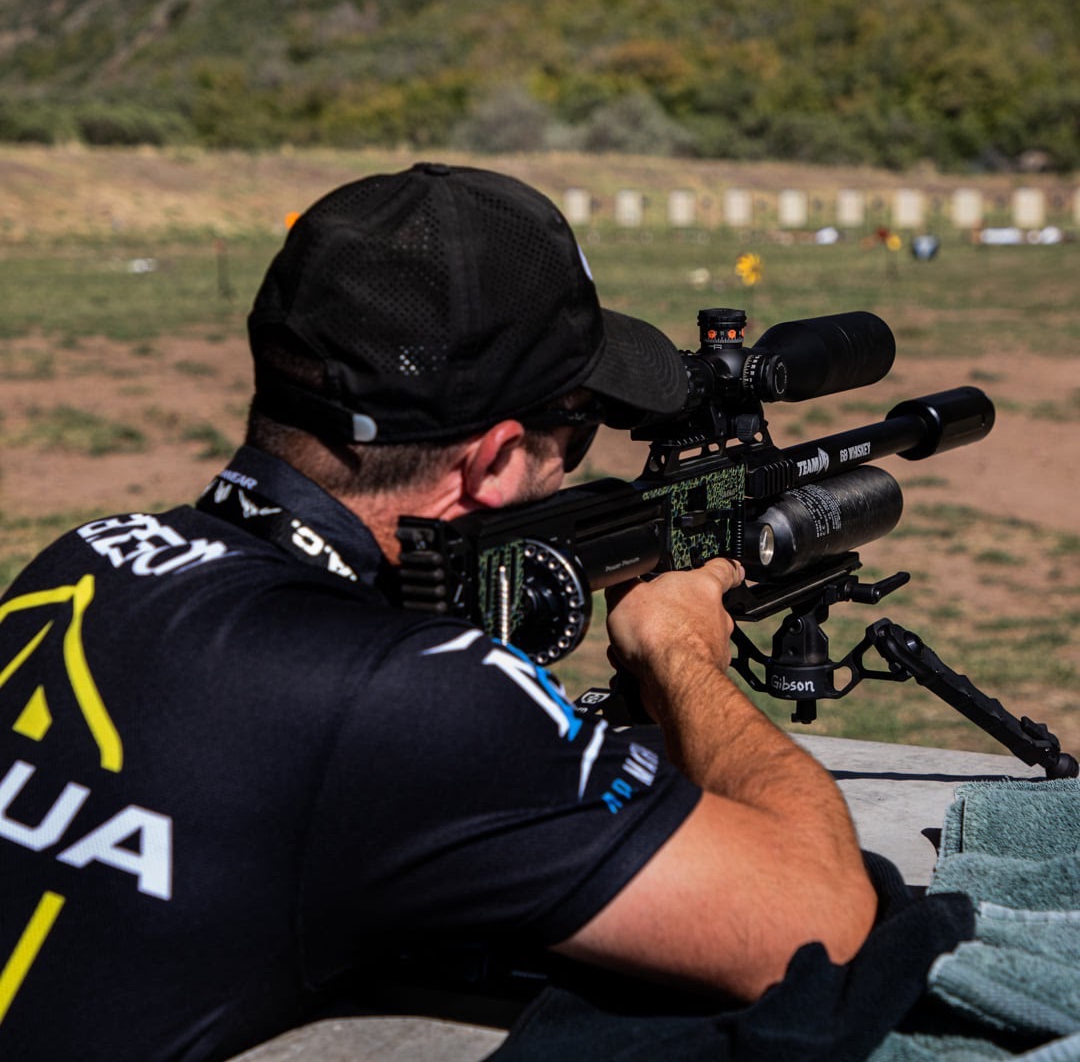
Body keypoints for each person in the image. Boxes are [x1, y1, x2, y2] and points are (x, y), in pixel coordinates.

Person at [0, 162, 875, 1060]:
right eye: (579, 429)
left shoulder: (79, 561)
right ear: (493, 464)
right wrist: (677, 648)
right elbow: (818, 920)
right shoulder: (415, 697)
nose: (579, 458)